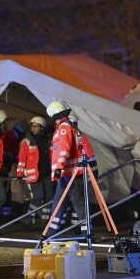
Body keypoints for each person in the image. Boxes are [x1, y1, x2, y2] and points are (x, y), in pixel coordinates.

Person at [45, 101, 87, 236]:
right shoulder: (68, 126)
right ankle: (53, 229)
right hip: (69, 172)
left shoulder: (64, 128)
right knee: (61, 201)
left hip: (70, 172)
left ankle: (86, 233)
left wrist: (58, 167)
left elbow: (64, 149)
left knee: (76, 203)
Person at [16, 116, 52, 230]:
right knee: (38, 198)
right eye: (32, 126)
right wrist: (20, 174)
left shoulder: (48, 140)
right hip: (35, 175)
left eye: (36, 126)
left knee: (48, 199)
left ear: (42, 127)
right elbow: (22, 158)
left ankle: (44, 222)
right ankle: (26, 221)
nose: (34, 128)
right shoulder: (27, 141)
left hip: (47, 173)